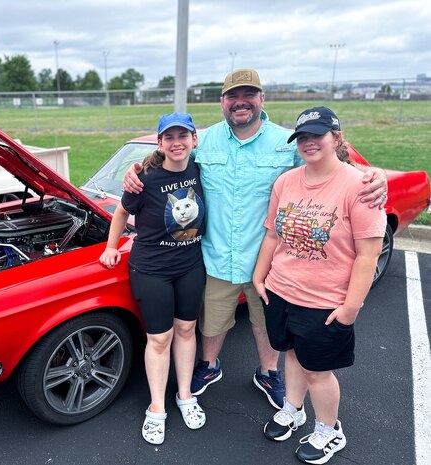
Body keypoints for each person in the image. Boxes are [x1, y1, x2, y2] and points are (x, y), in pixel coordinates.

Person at [123, 69, 388, 410]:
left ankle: (268, 372)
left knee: (266, 325)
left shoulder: (287, 141)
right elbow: (170, 158)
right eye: (232, 96)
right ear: (222, 102)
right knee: (212, 320)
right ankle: (209, 366)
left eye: (249, 95)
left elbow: (331, 165)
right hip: (215, 255)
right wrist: (136, 170)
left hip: (272, 260)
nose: (240, 102)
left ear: (262, 99)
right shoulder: (205, 141)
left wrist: (374, 175)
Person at [253, 106, 385, 464]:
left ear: (336, 138)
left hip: (325, 301)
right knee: (293, 354)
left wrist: (350, 307)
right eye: (303, 138)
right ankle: (293, 409)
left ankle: (329, 429)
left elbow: (367, 254)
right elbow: (271, 234)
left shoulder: (359, 187)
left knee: (317, 370)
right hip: (282, 290)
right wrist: (259, 276)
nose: (309, 143)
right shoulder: (286, 182)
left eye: (318, 135)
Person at [100, 112, 207, 445]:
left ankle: (186, 395)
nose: (177, 143)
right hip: (152, 269)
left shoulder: (202, 170)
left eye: (183, 136)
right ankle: (156, 406)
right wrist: (110, 247)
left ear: (193, 140)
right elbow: (122, 211)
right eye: (169, 138)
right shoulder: (144, 177)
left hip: (191, 265)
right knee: (160, 339)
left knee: (187, 330)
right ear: (160, 143)